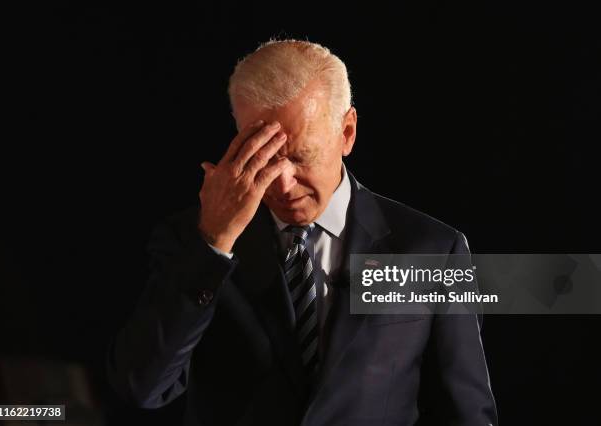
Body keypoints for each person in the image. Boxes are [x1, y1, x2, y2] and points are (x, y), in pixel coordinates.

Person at [107, 39, 498, 426]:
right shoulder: (189, 240)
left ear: (347, 132)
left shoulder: (433, 250)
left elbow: (465, 414)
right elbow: (142, 387)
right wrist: (213, 245)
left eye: (300, 156)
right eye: (263, 157)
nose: (282, 184)